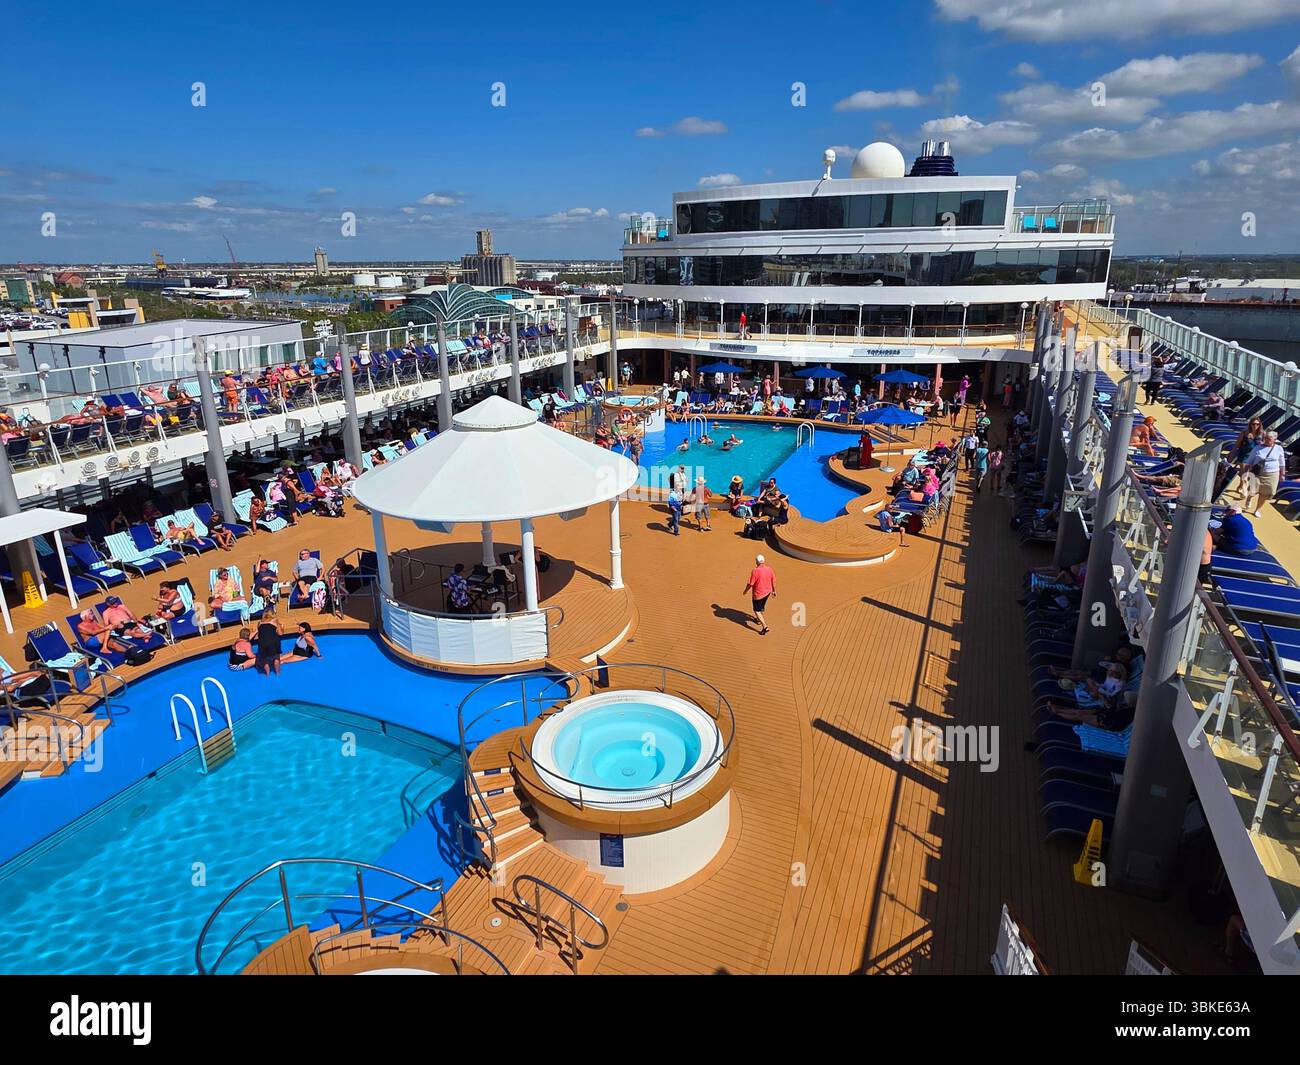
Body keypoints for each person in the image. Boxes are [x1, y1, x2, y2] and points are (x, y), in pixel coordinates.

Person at [1243, 431, 1286, 516]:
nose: (1266, 440)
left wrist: (1282, 474)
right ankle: (1249, 498)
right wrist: (1245, 473)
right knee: (1253, 491)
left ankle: (1257, 510)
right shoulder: (1257, 448)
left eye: (1269, 439)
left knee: (1266, 493)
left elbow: (1282, 463)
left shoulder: (1279, 448)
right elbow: (1249, 461)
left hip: (1272, 474)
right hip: (1257, 473)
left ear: (1274, 439)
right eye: (1265, 438)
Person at [744, 554, 776, 636]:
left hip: (758, 594)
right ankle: (758, 620)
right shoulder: (770, 569)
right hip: (767, 592)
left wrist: (746, 591)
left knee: (756, 610)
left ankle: (765, 627)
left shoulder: (755, 571)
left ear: (757, 562)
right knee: (761, 607)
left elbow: (751, 583)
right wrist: (774, 591)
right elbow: (773, 581)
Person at [255, 608, 283, 675]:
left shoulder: (260, 622)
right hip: (273, 643)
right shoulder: (275, 621)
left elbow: (260, 633)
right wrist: (280, 625)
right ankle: (278, 673)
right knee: (276, 659)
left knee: (265, 661)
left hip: (262, 643)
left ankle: (267, 674)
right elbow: (280, 633)